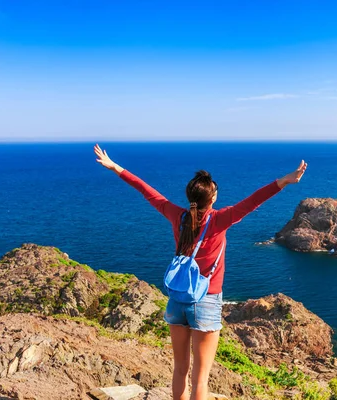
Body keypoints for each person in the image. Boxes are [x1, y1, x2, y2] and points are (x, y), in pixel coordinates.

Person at [94, 144, 307, 400]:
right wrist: (284, 180)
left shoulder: (177, 216)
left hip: (177, 300)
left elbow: (146, 191)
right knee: (201, 376)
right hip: (206, 301)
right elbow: (253, 201)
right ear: (212, 199)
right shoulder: (219, 219)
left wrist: (115, 167)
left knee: (180, 370)